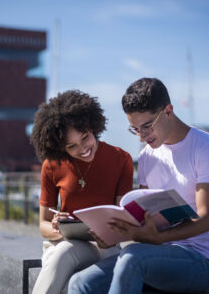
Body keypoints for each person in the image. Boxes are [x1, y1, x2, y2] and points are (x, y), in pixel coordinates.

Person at [68, 78, 209, 294]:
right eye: (135, 129)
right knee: (80, 283)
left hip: (198, 261)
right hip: (154, 254)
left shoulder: (205, 147)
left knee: (131, 259)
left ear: (168, 111)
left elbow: (206, 219)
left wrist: (160, 237)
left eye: (147, 126)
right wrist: (112, 234)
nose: (142, 137)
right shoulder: (147, 157)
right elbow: (146, 216)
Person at [30, 90, 133, 294]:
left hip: (106, 248)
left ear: (93, 127)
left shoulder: (121, 160)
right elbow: (43, 226)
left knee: (71, 283)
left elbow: (125, 219)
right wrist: (57, 227)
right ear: (60, 147)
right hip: (68, 244)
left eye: (85, 137)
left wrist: (109, 234)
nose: (83, 148)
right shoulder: (52, 165)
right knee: (65, 253)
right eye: (72, 146)